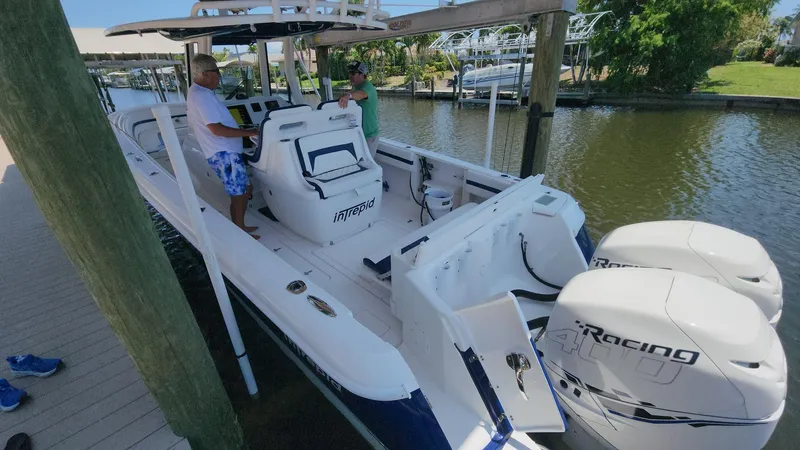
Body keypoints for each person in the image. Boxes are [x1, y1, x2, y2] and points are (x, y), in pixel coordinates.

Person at [187, 54, 260, 240]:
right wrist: (251, 132)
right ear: (204, 74)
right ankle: (239, 231)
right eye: (216, 72)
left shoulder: (200, 93)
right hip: (223, 152)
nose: (219, 76)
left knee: (245, 189)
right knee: (238, 193)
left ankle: (240, 226)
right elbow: (216, 129)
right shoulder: (201, 96)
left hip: (227, 150)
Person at [338, 61, 379, 157]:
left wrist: (349, 95)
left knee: (368, 166)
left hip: (369, 136)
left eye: (353, 73)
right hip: (358, 134)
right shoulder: (356, 87)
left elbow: (361, 94)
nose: (350, 76)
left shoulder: (368, 87)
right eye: (350, 73)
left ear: (362, 74)